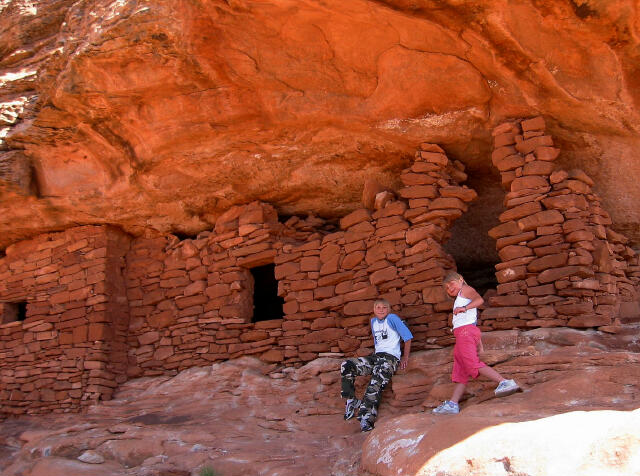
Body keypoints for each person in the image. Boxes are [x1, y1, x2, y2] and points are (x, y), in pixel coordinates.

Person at [432, 272, 519, 415]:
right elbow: (472, 321)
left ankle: (505, 382)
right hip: (463, 335)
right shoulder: (460, 297)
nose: (450, 288)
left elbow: (479, 300)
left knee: (472, 363)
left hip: (466, 333)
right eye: (446, 288)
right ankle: (453, 404)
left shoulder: (465, 290)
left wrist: (464, 308)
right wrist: (479, 344)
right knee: (461, 370)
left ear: (460, 280)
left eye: (451, 283)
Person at [340, 299, 413, 432]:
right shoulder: (373, 321)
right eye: (378, 307)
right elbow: (377, 342)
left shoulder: (392, 318)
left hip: (390, 358)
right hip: (377, 357)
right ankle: (351, 400)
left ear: (389, 309)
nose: (381, 310)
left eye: (384, 307)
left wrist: (405, 357)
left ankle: (366, 419)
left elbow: (407, 337)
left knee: (376, 381)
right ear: (374, 310)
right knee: (347, 365)